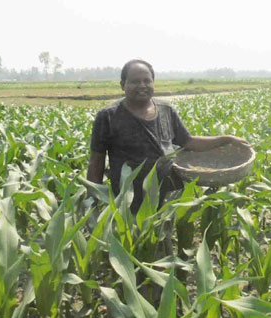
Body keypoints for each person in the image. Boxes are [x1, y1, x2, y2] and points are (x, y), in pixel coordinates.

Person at [87, 59, 250, 212]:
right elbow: (97, 161)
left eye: (147, 80)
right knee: (133, 239)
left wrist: (226, 139)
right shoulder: (108, 116)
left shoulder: (166, 110)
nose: (142, 85)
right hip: (129, 198)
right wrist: (92, 199)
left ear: (153, 83)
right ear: (123, 85)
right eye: (135, 81)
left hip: (169, 191)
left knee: (164, 236)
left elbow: (189, 141)